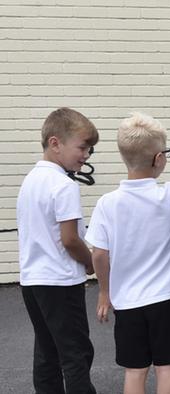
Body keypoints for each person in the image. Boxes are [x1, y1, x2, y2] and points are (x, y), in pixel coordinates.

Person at [85, 112, 170, 394]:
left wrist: (105, 292)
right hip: (166, 300)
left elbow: (98, 255)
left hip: (128, 303)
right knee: (166, 367)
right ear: (158, 159)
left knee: (135, 370)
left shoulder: (107, 204)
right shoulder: (169, 195)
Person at [17, 107, 99, 394]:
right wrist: (91, 264)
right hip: (61, 282)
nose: (86, 155)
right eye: (82, 147)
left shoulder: (30, 181)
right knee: (76, 354)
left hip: (32, 282)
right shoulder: (63, 185)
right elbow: (70, 240)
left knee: (47, 352)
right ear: (55, 143)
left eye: (89, 149)